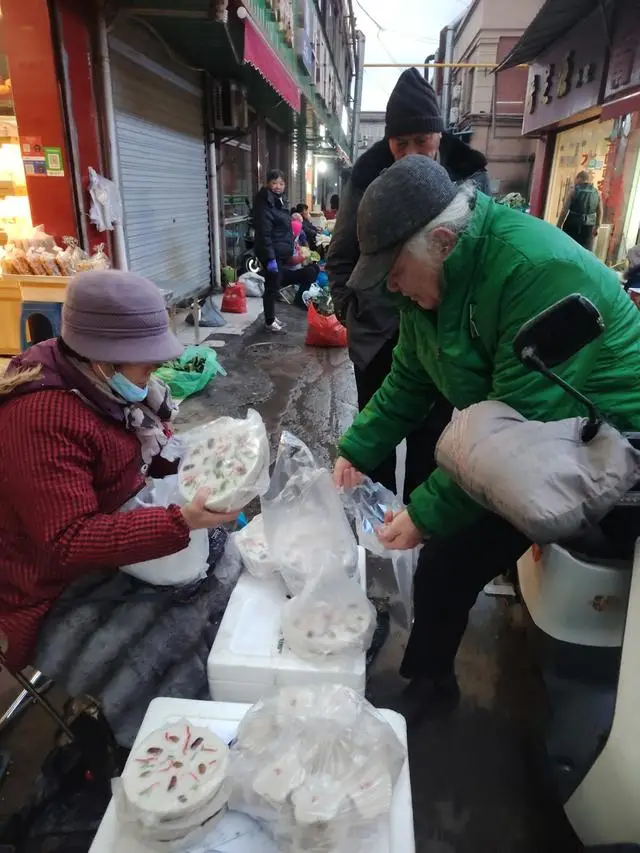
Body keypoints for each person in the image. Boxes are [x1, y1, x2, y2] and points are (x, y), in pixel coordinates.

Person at [332, 155, 640, 722]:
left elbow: (515, 438)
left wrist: (423, 514)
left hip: (607, 441)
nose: (391, 288)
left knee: (449, 550)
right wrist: (356, 448)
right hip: (531, 432)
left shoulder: (534, 272)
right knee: (444, 544)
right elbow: (409, 377)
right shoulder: (430, 287)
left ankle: (436, 686)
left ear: (443, 240)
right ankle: (429, 677)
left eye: (394, 272)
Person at [0, 270, 242, 744]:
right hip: (42, 582)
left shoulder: (105, 391)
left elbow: (143, 463)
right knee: (171, 631)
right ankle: (173, 744)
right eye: (145, 365)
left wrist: (206, 470)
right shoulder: (42, 417)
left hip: (103, 537)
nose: (153, 375)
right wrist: (178, 521)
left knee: (222, 564)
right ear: (101, 360)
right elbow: (66, 542)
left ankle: (227, 684)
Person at [327, 68, 489, 503]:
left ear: (439, 136)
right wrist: (352, 313)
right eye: (401, 143)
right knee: (375, 437)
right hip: (378, 335)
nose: (412, 152)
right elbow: (340, 256)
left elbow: (478, 265)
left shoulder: (469, 180)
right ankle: (377, 533)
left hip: (442, 336)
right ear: (388, 141)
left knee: (431, 440)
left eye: (423, 141)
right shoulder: (365, 179)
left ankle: (417, 531)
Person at [254, 168, 294, 333]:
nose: (278, 186)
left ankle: (271, 316)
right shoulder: (265, 203)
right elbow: (265, 234)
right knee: (271, 287)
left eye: (281, 183)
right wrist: (270, 259)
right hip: (271, 252)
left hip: (278, 251)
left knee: (274, 285)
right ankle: (269, 321)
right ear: (268, 184)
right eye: (274, 183)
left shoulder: (278, 200)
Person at [558, 170, 602, 251]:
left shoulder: (573, 191)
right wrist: (597, 227)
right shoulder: (597, 192)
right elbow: (599, 211)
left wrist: (559, 225)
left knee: (567, 249)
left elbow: (564, 210)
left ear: (579, 179)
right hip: (588, 228)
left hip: (572, 225)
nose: (574, 182)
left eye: (575, 180)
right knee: (585, 252)